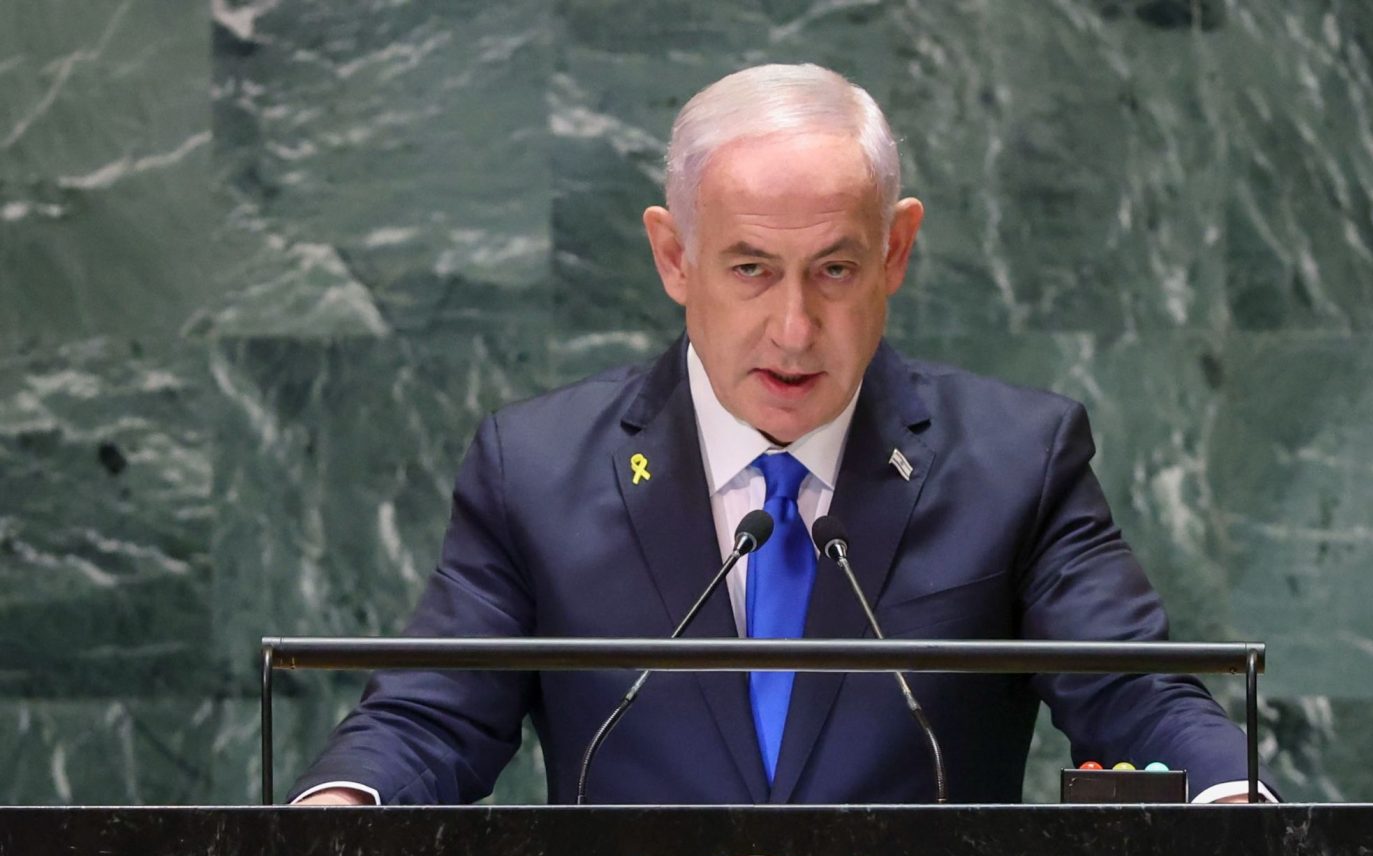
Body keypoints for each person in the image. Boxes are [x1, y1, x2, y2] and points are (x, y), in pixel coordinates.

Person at [292, 63, 1273, 806]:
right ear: (674, 256)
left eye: (835, 270)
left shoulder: (1018, 461)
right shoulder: (539, 470)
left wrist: (1235, 800)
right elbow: (430, 716)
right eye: (752, 269)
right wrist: (340, 808)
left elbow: (1136, 692)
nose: (795, 329)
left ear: (896, 250)